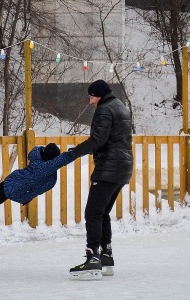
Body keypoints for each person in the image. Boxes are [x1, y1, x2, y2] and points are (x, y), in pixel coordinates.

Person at [68, 79, 133, 280]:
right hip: (122, 168)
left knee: (93, 212)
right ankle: (106, 256)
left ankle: (92, 259)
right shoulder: (120, 106)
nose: (90, 101)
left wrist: (75, 152)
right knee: (102, 212)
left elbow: (99, 139)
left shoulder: (104, 109)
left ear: (100, 95)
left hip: (108, 168)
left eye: (92, 96)